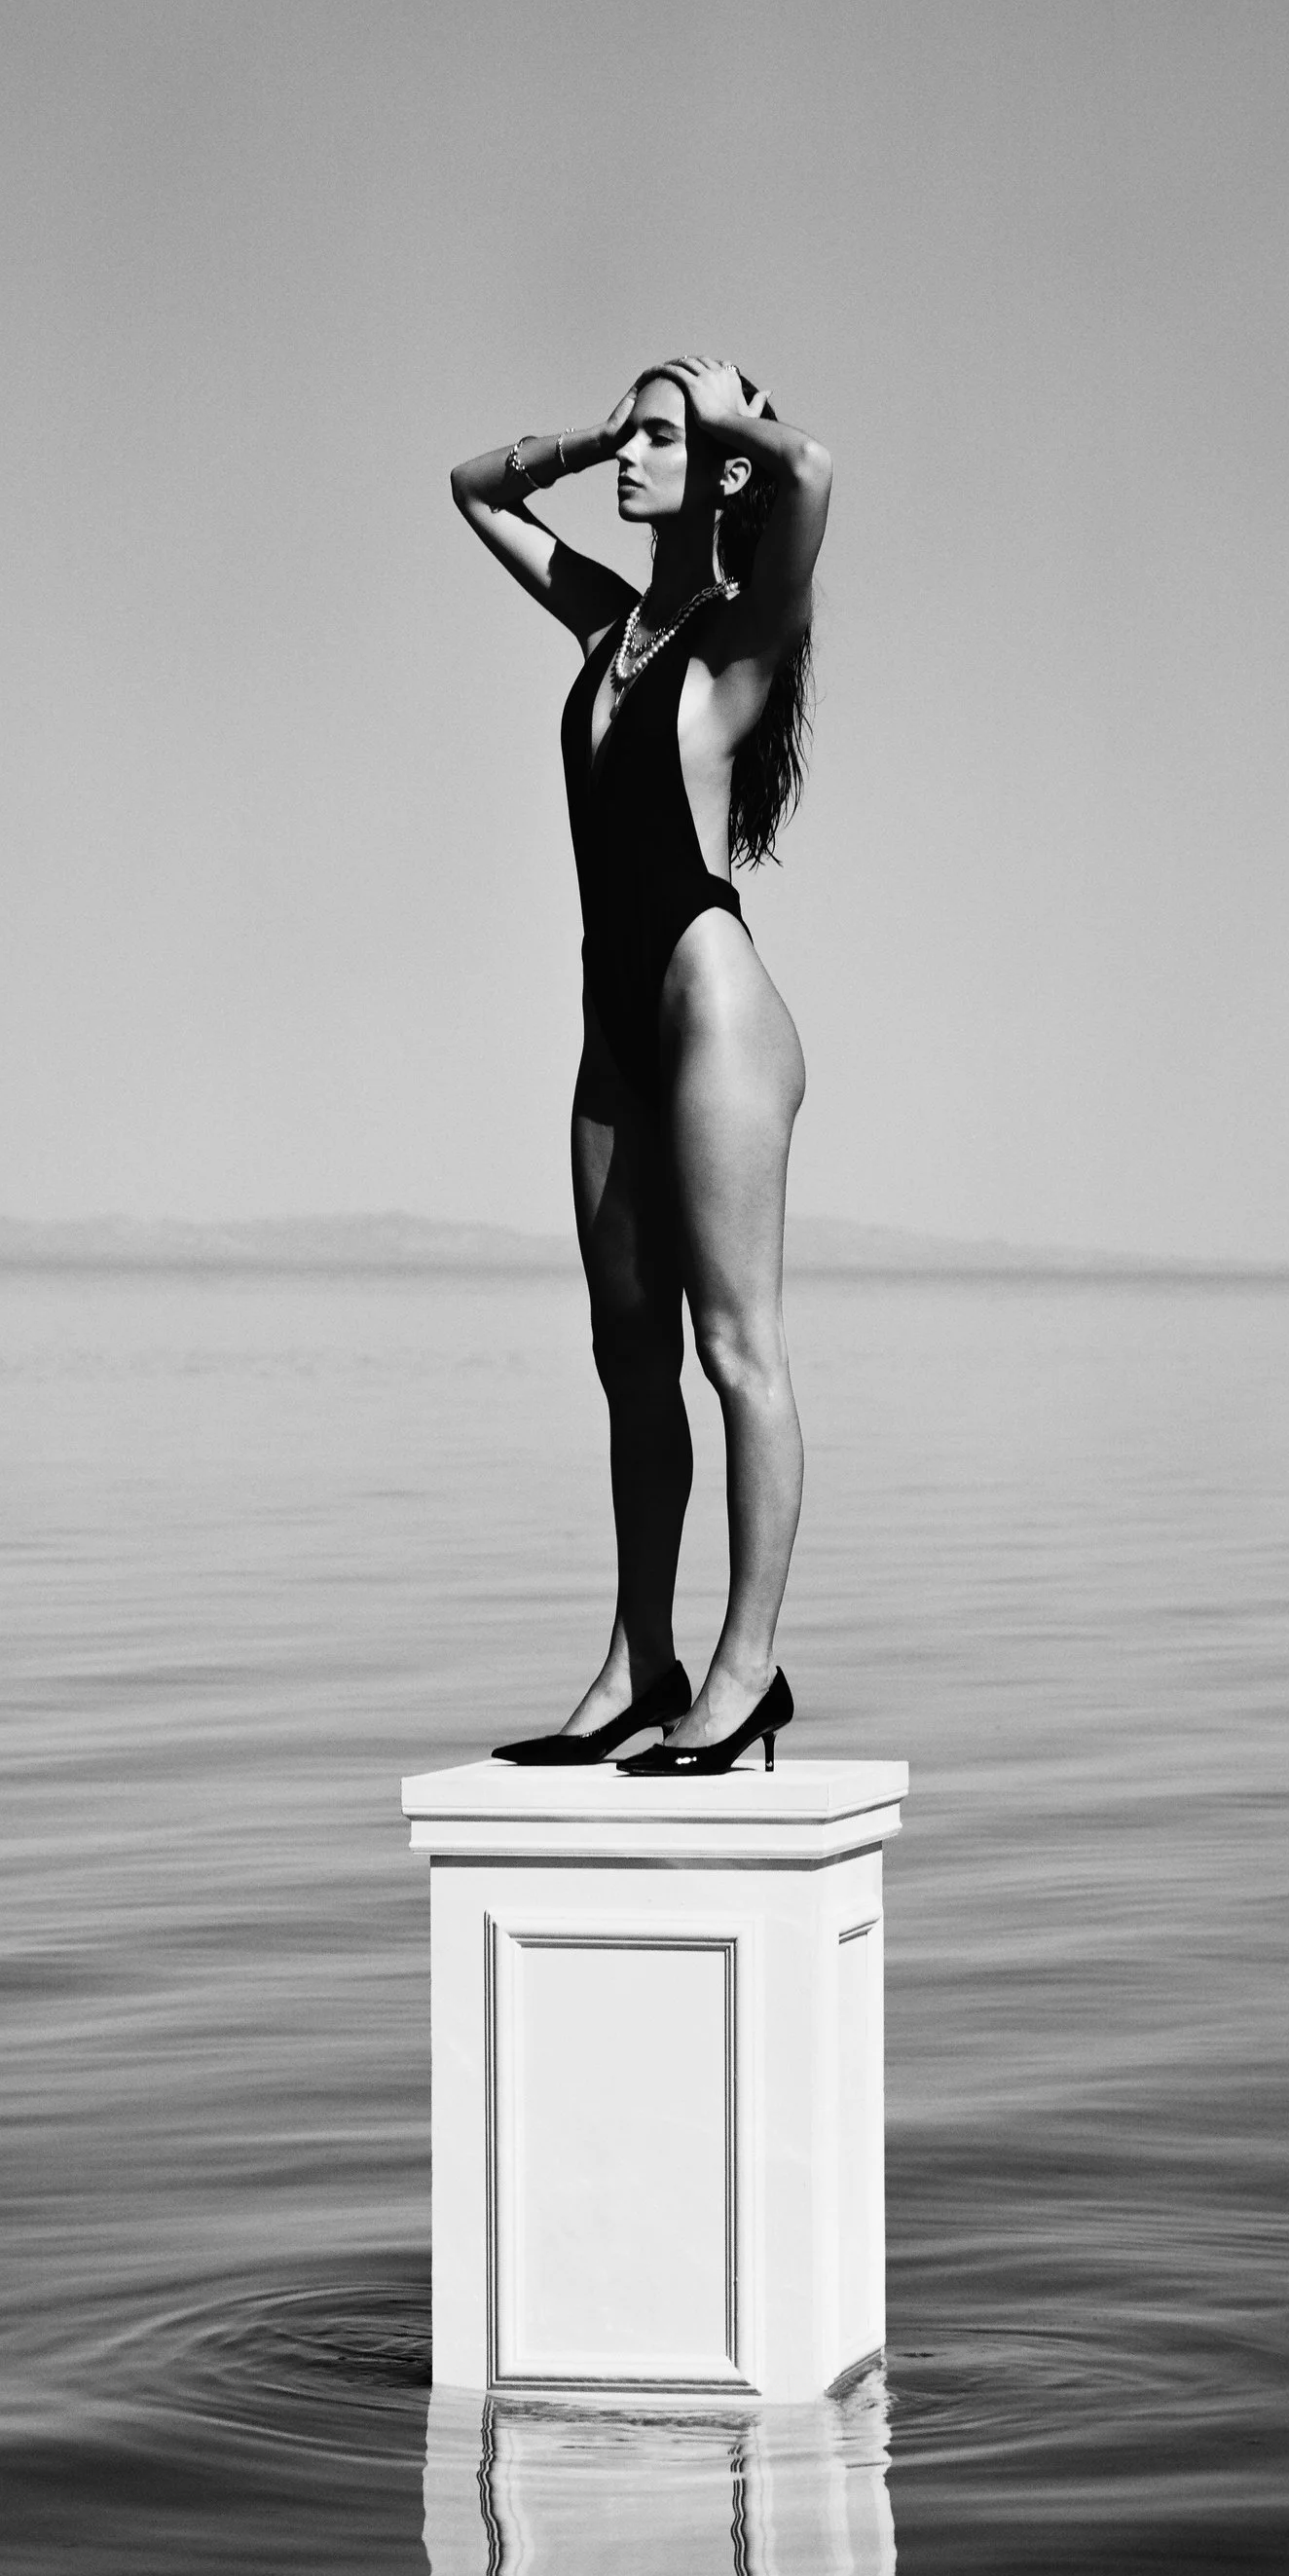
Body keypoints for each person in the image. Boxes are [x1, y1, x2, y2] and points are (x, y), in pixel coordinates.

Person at [449, 357, 833, 1775]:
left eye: (658, 435)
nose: (631, 452)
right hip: (609, 1022)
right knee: (628, 1360)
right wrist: (596, 430)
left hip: (708, 1005)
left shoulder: (740, 638)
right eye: (631, 430)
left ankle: (749, 1669)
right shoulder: (609, 621)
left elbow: (813, 477)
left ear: (721, 460)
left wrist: (729, 417)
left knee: (739, 1352)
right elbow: (476, 491)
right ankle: (639, 1661)